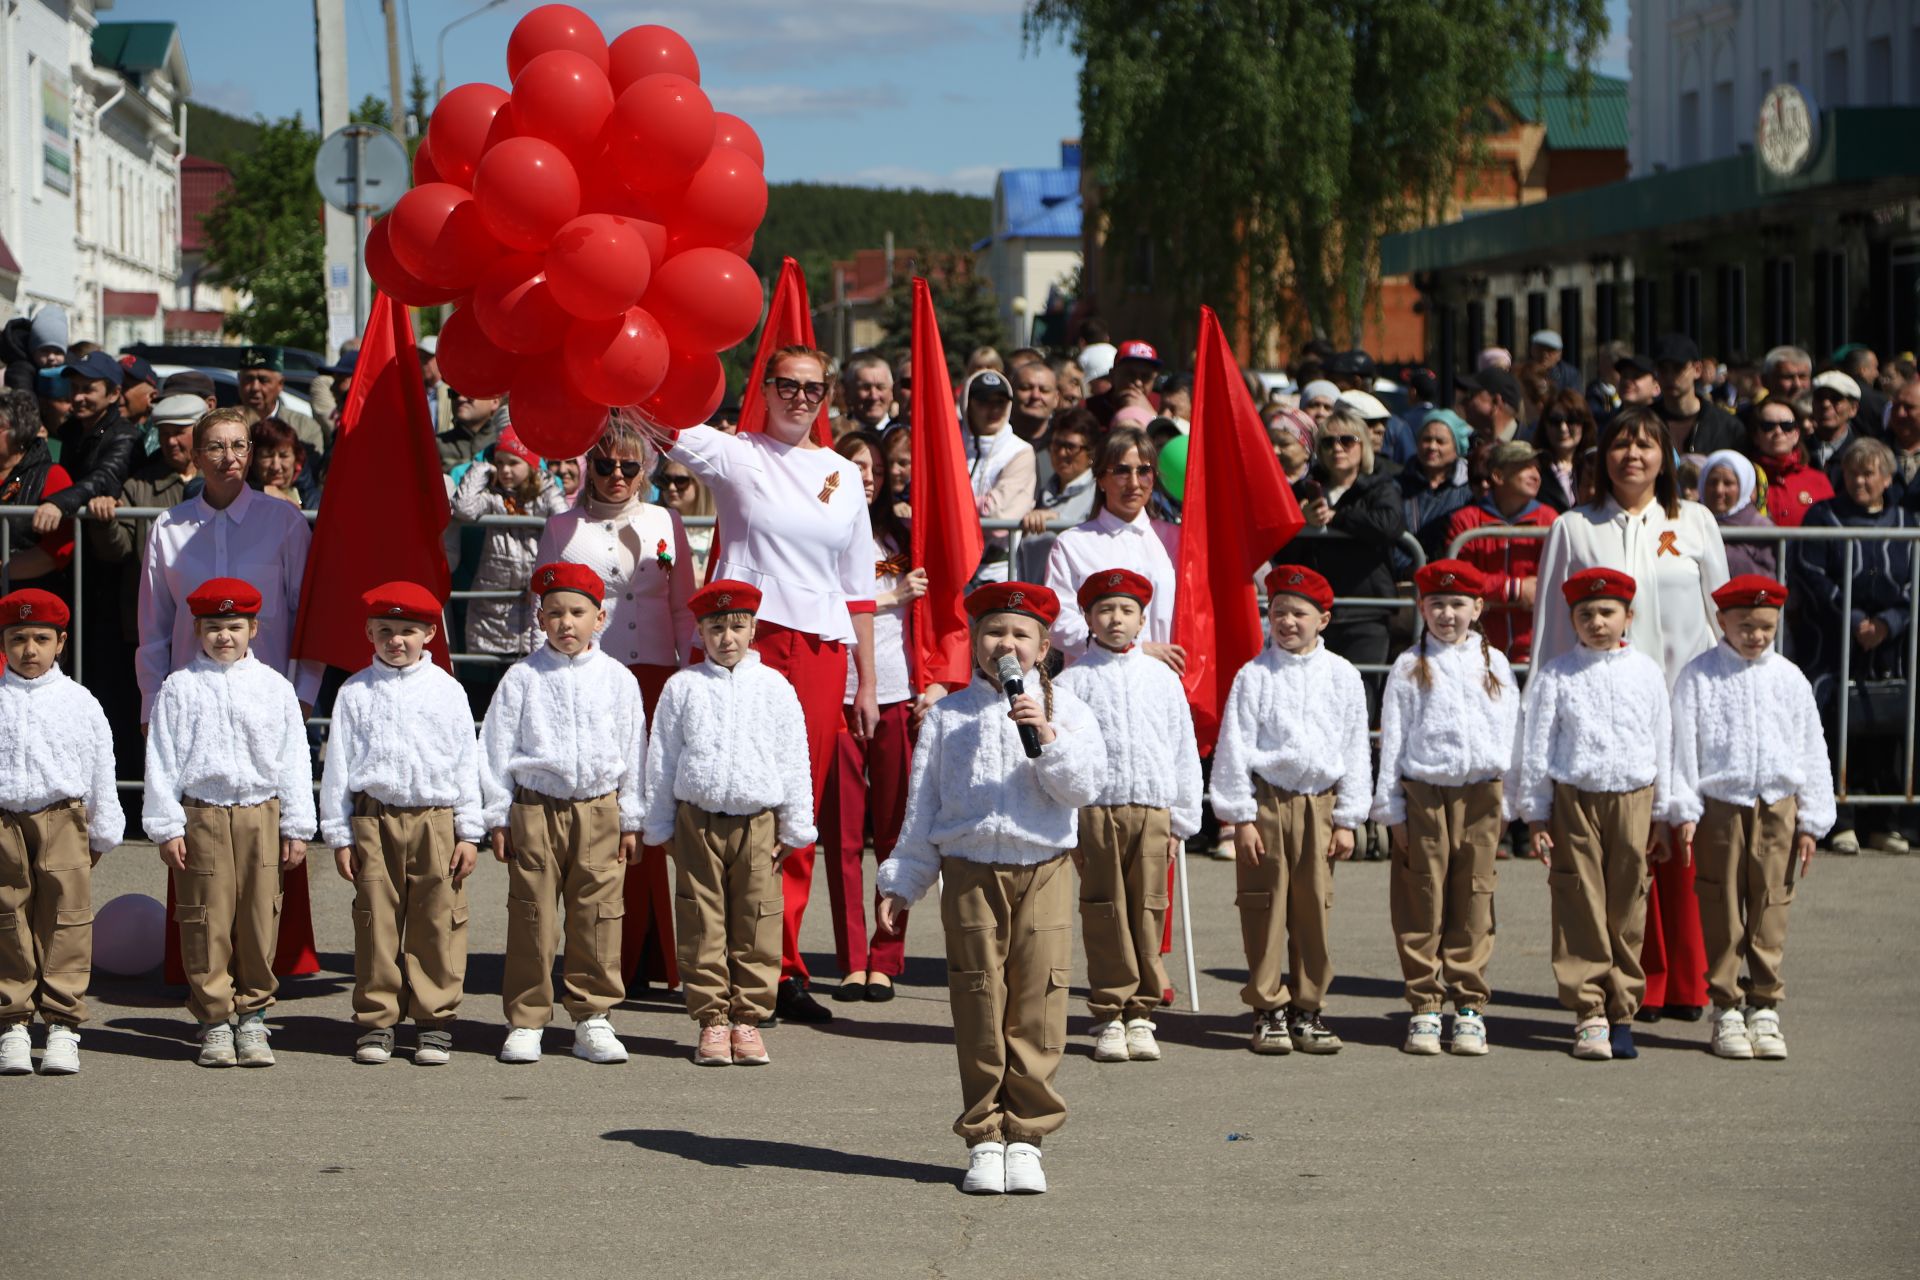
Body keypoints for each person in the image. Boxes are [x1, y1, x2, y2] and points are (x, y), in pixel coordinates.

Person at [652, 344, 880, 1025]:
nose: (800, 399)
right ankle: (718, 956)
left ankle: (779, 964)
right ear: (766, 388)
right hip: (739, 640)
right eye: (787, 385)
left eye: (813, 388)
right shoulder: (735, 452)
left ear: (827, 395)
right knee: (719, 795)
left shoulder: (842, 473)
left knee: (792, 803)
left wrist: (866, 682)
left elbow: (860, 588)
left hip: (817, 649)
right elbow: (655, 421)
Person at [876, 583, 1105, 1196]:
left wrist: (1048, 737)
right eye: (994, 632)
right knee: (978, 998)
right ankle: (984, 1134)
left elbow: (1083, 788)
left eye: (1021, 634)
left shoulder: (1070, 709)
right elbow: (922, 807)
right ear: (976, 641)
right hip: (970, 869)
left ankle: (1027, 1135)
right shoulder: (949, 716)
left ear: (1044, 644)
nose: (1007, 644)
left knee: (1038, 998)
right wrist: (904, 879)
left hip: (1045, 866)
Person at [1531, 405, 1730, 1023]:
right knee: (1623, 856)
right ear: (1601, 455)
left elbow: (1720, 614)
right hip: (1608, 715)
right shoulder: (1575, 527)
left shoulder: (1694, 520)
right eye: (1620, 444)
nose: (1633, 456)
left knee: (1684, 842)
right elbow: (1550, 633)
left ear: (1663, 456)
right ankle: (1633, 980)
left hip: (1685, 702)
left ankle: (1691, 984)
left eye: (1646, 444)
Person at [136, 407, 323, 979]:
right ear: (195, 456)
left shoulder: (284, 523)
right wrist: (150, 703)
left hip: (267, 705)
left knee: (270, 837)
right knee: (199, 839)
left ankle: (274, 966)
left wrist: (305, 693)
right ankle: (199, 969)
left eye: (239, 445)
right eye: (215, 448)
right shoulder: (169, 529)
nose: (230, 458)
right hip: (193, 704)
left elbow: (307, 616)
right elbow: (153, 626)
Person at [534, 417, 694, 993]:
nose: (618, 476)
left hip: (654, 675)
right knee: (600, 809)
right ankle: (600, 951)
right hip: (589, 679)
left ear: (645, 469)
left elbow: (682, 610)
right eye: (605, 466)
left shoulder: (665, 522)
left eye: (630, 466)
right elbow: (546, 610)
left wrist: (687, 674)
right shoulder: (561, 527)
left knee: (648, 809)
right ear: (587, 468)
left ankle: (654, 953)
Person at [142, 578, 315, 1069]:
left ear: (254, 629)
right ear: (196, 629)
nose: (224, 636)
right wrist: (167, 824)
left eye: (234, 626)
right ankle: (215, 1019)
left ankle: (254, 1016)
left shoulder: (273, 687)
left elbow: (294, 758)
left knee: (261, 916)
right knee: (205, 919)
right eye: (214, 626)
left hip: (261, 811)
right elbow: (162, 758)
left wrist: (297, 824)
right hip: (203, 813)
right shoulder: (179, 688)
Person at [643, 580, 814, 1065]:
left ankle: (749, 1019)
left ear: (754, 628)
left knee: (758, 922)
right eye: (716, 627)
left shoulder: (775, 688)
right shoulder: (683, 688)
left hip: (758, 822)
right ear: (699, 631)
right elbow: (662, 759)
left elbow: (793, 757)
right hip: (697, 819)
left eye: (737, 626)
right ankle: (712, 1019)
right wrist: (661, 827)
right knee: (701, 921)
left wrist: (795, 825)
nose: (727, 638)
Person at [480, 563, 646, 1067]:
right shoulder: (522, 678)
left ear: (600, 618)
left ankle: (593, 1016)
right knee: (532, 914)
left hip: (599, 808)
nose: (565, 623)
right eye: (554, 613)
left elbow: (634, 748)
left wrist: (632, 816)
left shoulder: (618, 679)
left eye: (577, 613)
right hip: (536, 806)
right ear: (539, 617)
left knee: (597, 914)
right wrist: (497, 814)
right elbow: (494, 747)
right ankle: (527, 1018)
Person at [1668, 575, 1835, 1060]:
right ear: (1722, 622)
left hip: (1778, 804)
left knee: (1771, 901)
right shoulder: (1699, 676)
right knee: (1720, 903)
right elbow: (1683, 748)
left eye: (1765, 626)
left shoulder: (1790, 679)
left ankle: (1765, 1004)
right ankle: (1725, 1005)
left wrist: (1811, 819)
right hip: (1722, 802)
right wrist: (1685, 808)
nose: (1755, 636)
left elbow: (1811, 748)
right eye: (1744, 626)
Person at [320, 582, 481, 1067]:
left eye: (408, 631)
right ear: (369, 632)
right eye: (385, 630)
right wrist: (340, 832)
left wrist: (468, 830)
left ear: (430, 633)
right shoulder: (355, 692)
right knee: (376, 923)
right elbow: (339, 766)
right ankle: (377, 1020)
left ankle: (434, 1021)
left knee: (437, 923)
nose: (397, 641)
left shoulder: (448, 691)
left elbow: (464, 762)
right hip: (374, 818)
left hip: (435, 819)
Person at [1515, 568, 1673, 1061]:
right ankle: (1589, 1011)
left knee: (1628, 904)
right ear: (1573, 621)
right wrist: (1537, 812)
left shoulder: (1646, 671)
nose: (1597, 622)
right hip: (1575, 797)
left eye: (1607, 613)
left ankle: (1623, 1009)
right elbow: (1537, 744)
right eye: (1586, 614)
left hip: (1633, 796)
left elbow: (1662, 739)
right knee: (1579, 899)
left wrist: (1664, 812)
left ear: (1629, 616)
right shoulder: (1556, 674)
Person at [1210, 566, 1368, 1055]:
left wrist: (1348, 818)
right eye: (1278, 612)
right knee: (1263, 905)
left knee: (1312, 910)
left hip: (1320, 803)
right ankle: (1268, 1008)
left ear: (1323, 619)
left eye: (1299, 613)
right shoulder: (1254, 675)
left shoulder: (1343, 675)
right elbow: (1234, 746)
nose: (1287, 622)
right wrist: (1240, 816)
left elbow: (1355, 747)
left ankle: (1308, 1007)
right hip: (1268, 802)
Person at [1054, 569, 1202, 1063]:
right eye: (1105, 610)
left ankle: (1143, 1011)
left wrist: (1182, 817)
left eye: (1126, 611)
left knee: (1148, 908)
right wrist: (1069, 816)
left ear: (1142, 619)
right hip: (1096, 810)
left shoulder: (1161, 677)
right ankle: (1110, 1012)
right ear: (1089, 619)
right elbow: (1065, 753)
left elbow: (1183, 747)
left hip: (1153, 808)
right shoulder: (1071, 681)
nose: (1116, 620)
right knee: (1104, 909)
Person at [1373, 560, 1519, 1057]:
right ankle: (1424, 1005)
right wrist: (1392, 809)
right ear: (1422, 608)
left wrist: (1511, 803)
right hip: (1424, 794)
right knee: (1422, 898)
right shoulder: (1409, 665)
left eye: (1458, 604)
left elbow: (1510, 734)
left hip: (1481, 793)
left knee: (1475, 898)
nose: (1448, 614)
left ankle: (1470, 1006)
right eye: (1437, 604)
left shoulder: (1495, 664)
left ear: (1478, 607)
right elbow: (1392, 738)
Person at [0, 589, 122, 1077]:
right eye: (18, 638)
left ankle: (64, 1023)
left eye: (41, 639)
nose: (30, 649)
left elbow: (100, 765)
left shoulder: (79, 701)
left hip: (64, 817)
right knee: (8, 916)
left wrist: (102, 827)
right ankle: (12, 1020)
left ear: (61, 643)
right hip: (4, 818)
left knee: (67, 920)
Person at [821, 431, 923, 1002]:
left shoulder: (901, 533)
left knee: (893, 832)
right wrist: (888, 597)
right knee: (840, 836)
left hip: (896, 691)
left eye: (877, 467)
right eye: (856, 465)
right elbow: (817, 600)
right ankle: (850, 956)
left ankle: (886, 955)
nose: (867, 475)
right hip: (838, 692)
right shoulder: (824, 530)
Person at [1790, 439, 1911, 856]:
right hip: (1832, 645)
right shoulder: (1822, 517)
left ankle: (1884, 823)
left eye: (1869, 473)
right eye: (1854, 472)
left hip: (1890, 651)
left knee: (1885, 727)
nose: (1860, 480)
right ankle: (1840, 822)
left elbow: (1914, 584)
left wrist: (1888, 624)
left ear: (1887, 479)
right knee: (1834, 730)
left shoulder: (1906, 520)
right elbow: (1811, 572)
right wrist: (1855, 619)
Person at [1043, 427, 1182, 668]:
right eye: (1121, 471)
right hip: (1094, 677)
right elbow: (1058, 621)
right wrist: (1132, 647)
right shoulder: (1072, 543)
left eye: (1144, 471)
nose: (1134, 482)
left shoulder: (1176, 539)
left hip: (1163, 677)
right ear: (1101, 478)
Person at [453, 429, 569, 713]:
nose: (504, 470)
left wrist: (544, 482)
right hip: (492, 601)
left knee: (527, 682)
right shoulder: (493, 495)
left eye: (513, 463)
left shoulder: (543, 492)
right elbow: (463, 509)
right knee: (488, 685)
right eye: (499, 462)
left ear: (530, 465)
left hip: (530, 600)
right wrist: (481, 467)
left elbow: (563, 518)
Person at [1440, 442, 1558, 662]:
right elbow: (1461, 580)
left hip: (1535, 651)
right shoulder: (1466, 520)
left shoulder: (1550, 519)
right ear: (1498, 476)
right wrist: (1515, 589)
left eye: (1537, 468)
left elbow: (1556, 580)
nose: (1535, 474)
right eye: (1525, 466)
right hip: (1478, 650)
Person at [31, 351, 139, 538]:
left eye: (88, 389)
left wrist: (59, 502)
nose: (78, 397)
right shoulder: (70, 430)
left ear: (114, 394)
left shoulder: (125, 436)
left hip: (105, 546)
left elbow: (103, 478)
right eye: (74, 387)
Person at [960, 369, 1036, 583]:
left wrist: (954, 508)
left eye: (1000, 402)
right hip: (956, 567)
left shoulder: (1020, 452)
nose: (993, 410)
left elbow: (997, 513)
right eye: (983, 402)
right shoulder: (952, 448)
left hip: (999, 570)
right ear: (968, 403)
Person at [0, 395, 75, 585]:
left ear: (19, 432)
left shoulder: (52, 476)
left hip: (28, 600)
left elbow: (58, 549)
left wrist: (3, 571)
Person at [1017, 408, 1097, 582]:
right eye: (1057, 445)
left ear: (1091, 453)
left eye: (1071, 447)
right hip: (1034, 598)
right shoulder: (1040, 490)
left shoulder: (1100, 493)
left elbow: (1100, 538)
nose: (1061, 453)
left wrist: (1057, 519)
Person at [1745, 396, 1832, 528]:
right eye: (1768, 426)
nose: (1778, 432)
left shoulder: (1818, 480)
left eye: (1787, 426)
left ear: (1797, 434)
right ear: (1756, 436)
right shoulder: (1743, 480)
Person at [1652, 334, 1743, 455]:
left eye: (1678, 368)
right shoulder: (1644, 422)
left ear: (1697, 370)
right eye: (1663, 369)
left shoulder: (1727, 427)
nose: (1670, 376)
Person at [1398, 409, 1474, 554]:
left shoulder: (1469, 489)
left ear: (1457, 447)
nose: (1432, 447)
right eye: (1426, 439)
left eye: (1441, 441)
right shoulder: (1398, 484)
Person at [237, 346, 327, 465]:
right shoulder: (224, 426)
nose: (255, 387)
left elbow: (310, 472)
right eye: (248, 379)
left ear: (280, 384)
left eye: (263, 380)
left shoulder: (303, 427)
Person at [1698, 450, 1776, 579]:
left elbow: (1770, 578)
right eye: (1712, 482)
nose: (1719, 490)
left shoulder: (1761, 528)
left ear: (1744, 487)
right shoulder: (1691, 521)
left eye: (1728, 483)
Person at [1534, 390, 1596, 512]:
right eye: (1555, 421)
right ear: (1545, 425)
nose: (1563, 428)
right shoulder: (1534, 467)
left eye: (1572, 420)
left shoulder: (1597, 465)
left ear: (1584, 424)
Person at [655, 457, 715, 579]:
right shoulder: (651, 520)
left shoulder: (720, 524)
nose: (671, 487)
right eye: (665, 481)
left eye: (681, 481)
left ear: (699, 484)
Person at [1804, 371, 1862, 481]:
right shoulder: (1799, 449)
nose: (1825, 404)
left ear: (1853, 408)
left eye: (1836, 399)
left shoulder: (1864, 452)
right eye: (1819, 398)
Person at [2, 305, 67, 392]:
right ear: (33, 350)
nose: (51, 357)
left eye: (58, 352)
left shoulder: (68, 370)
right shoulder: (20, 371)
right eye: (44, 351)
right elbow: (24, 400)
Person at [246, 417, 308, 508]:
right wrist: (260, 491)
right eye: (267, 456)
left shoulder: (311, 497)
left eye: (284, 456)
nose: (276, 466)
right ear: (251, 459)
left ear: (296, 459)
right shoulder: (234, 495)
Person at [436, 390, 504, 471]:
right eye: (454, 393)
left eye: (469, 393)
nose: (460, 398)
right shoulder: (434, 445)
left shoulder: (504, 442)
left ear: (495, 401)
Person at [841, 352, 895, 434]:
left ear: (892, 391)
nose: (874, 396)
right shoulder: (836, 434)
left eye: (880, 387)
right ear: (849, 392)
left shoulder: (904, 435)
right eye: (866, 388)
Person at [1011, 361, 1060, 446]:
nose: (1035, 396)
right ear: (1012, 392)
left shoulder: (1063, 443)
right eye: (1026, 388)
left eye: (1044, 390)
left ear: (1056, 398)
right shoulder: (994, 438)